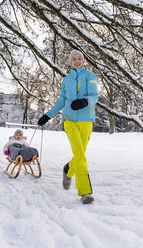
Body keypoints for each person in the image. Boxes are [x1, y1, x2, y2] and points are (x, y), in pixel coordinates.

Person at [38, 50, 98, 204]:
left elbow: (94, 96)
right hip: (69, 120)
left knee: (80, 155)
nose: (77, 61)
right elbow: (61, 102)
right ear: (70, 62)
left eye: (79, 59)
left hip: (86, 119)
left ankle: (68, 169)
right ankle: (85, 193)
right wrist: (47, 116)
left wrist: (85, 101)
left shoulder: (90, 76)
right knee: (80, 155)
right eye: (74, 59)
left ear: (83, 61)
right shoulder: (66, 80)